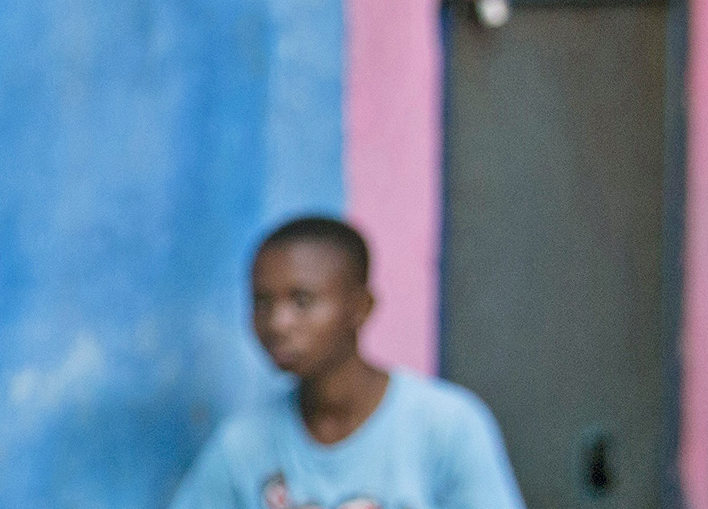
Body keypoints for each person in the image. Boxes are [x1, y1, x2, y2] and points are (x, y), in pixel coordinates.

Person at [169, 216, 522, 509]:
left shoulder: (447, 426)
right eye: (262, 302)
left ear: (361, 307)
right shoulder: (243, 444)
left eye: (302, 301)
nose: (278, 322)